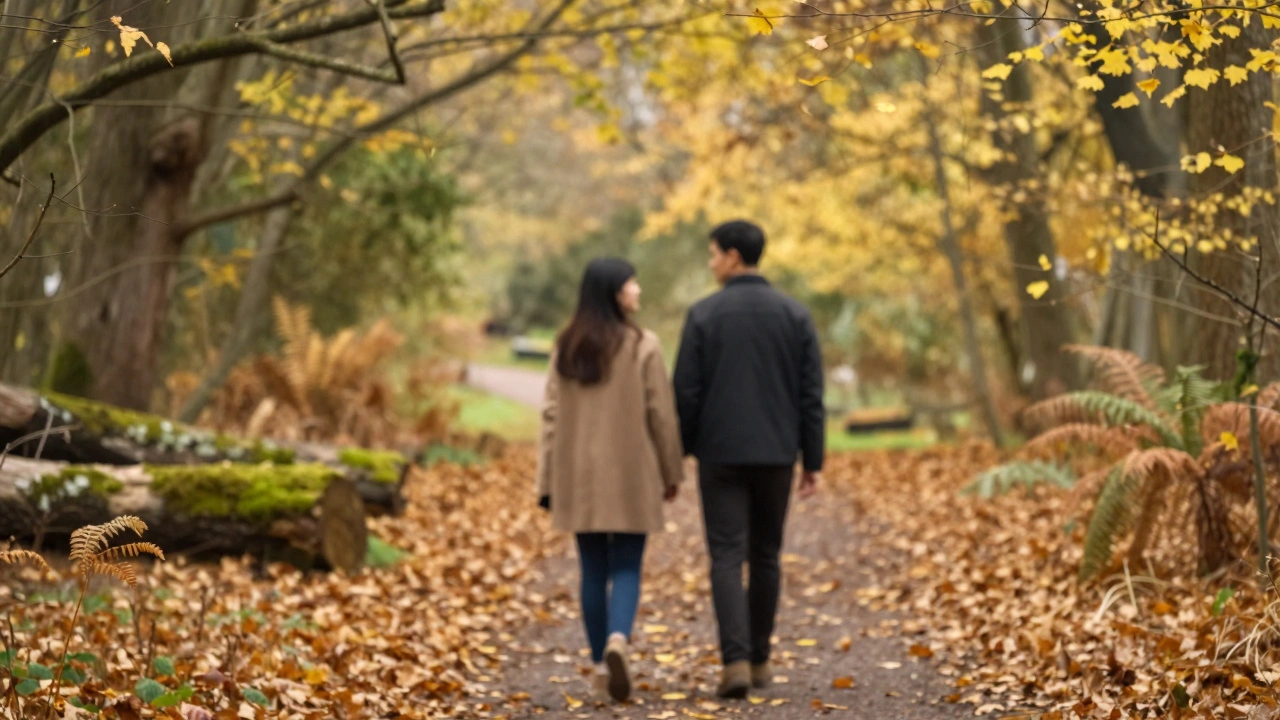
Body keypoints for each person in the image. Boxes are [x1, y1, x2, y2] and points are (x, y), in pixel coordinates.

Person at [673, 220, 825, 699]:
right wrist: (812, 459)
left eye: (715, 253)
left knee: (725, 555)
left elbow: (686, 393)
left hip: (720, 454)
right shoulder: (795, 315)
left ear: (734, 256)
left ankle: (734, 660)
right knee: (765, 555)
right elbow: (811, 395)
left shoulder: (703, 315)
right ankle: (760, 659)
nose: (711, 262)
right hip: (778, 453)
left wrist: (682, 449)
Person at [535, 257, 685, 703]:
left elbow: (550, 416)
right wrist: (671, 469)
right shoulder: (643, 345)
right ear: (614, 293)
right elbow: (661, 413)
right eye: (631, 284)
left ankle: (602, 665)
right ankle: (619, 636)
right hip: (631, 474)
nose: (637, 290)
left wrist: (546, 480)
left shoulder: (566, 346)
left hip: (577, 476)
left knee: (592, 569)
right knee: (626, 566)